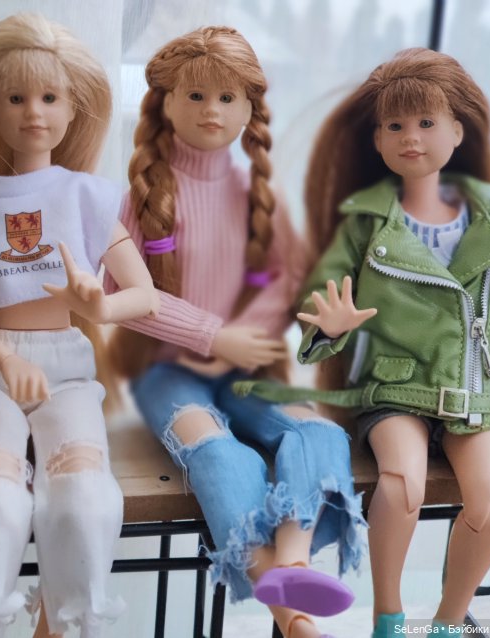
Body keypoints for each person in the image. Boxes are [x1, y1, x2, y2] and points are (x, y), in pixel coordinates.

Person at [243, 47, 490, 637]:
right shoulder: (366, 222)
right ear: (378, 141)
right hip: (395, 388)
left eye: (427, 122)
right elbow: (320, 298)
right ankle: (388, 614)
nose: (411, 137)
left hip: (475, 392)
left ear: (457, 130)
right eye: (395, 125)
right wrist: (328, 326)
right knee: (402, 482)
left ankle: (448, 621)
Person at [105, 26, 364, 638]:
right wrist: (213, 336)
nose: (212, 111)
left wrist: (313, 326)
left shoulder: (257, 197)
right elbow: (119, 298)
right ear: (165, 103)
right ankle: (289, 611)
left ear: (250, 109)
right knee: (219, 453)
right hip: (166, 372)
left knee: (316, 432)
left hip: (247, 371)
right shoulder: (141, 197)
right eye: (195, 96)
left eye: (227, 98)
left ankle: (293, 564)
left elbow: (287, 284)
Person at [0, 13, 159, 638]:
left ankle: (68, 625)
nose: (34, 113)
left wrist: (97, 307)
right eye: (16, 98)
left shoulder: (87, 197)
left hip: (68, 369)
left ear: (74, 109)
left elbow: (143, 294)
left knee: (81, 494)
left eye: (50, 98)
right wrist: (4, 358)